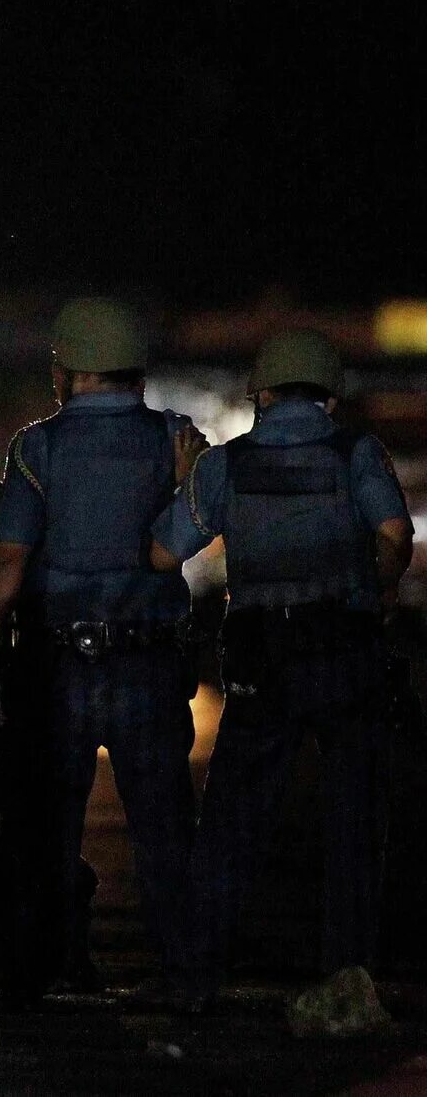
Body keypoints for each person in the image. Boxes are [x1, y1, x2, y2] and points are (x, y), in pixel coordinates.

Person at [152, 329, 414, 1018]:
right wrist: (375, 596)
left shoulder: (228, 464)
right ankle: (347, 978)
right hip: (345, 650)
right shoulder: (356, 451)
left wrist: (188, 483)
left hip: (263, 660)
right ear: (330, 394)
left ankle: (196, 978)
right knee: (355, 822)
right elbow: (394, 537)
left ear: (260, 393)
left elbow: (161, 553)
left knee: (234, 821)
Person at [0, 297, 206, 1007]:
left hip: (58, 668)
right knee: (165, 832)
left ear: (66, 371)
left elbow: (6, 566)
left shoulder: (37, 448)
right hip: (148, 662)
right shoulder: (175, 439)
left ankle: (59, 964)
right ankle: (183, 975)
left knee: (51, 830)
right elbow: (193, 535)